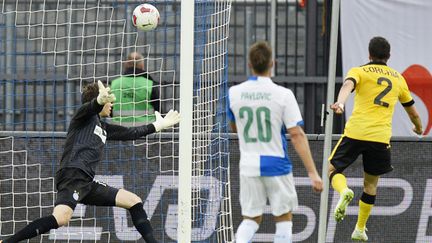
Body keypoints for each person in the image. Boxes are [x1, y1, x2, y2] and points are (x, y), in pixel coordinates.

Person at [0, 81, 180, 243]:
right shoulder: (83, 118)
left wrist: (157, 126)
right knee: (61, 218)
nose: (111, 104)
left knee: (134, 201)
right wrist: (98, 102)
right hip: (73, 175)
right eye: (109, 101)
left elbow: (130, 133)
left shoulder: (103, 126)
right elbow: (88, 108)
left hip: (86, 182)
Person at [227, 41, 323, 243]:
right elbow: (296, 134)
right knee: (284, 219)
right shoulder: (283, 95)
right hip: (277, 163)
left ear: (249, 65)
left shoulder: (234, 93)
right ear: (273, 63)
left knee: (251, 219)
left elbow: (235, 127)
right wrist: (313, 172)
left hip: (249, 164)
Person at [328, 36, 423, 241]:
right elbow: (413, 112)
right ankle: (360, 228)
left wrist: (340, 103)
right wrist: (418, 127)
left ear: (369, 54)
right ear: (388, 56)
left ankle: (344, 191)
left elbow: (347, 86)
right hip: (380, 138)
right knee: (370, 185)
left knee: (331, 170)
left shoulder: (360, 71)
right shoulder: (398, 78)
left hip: (356, 132)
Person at [111, 52, 160, 126]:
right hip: (146, 131)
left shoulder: (114, 84)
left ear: (126, 64)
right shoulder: (150, 85)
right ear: (142, 65)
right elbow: (158, 111)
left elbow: (109, 110)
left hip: (119, 131)